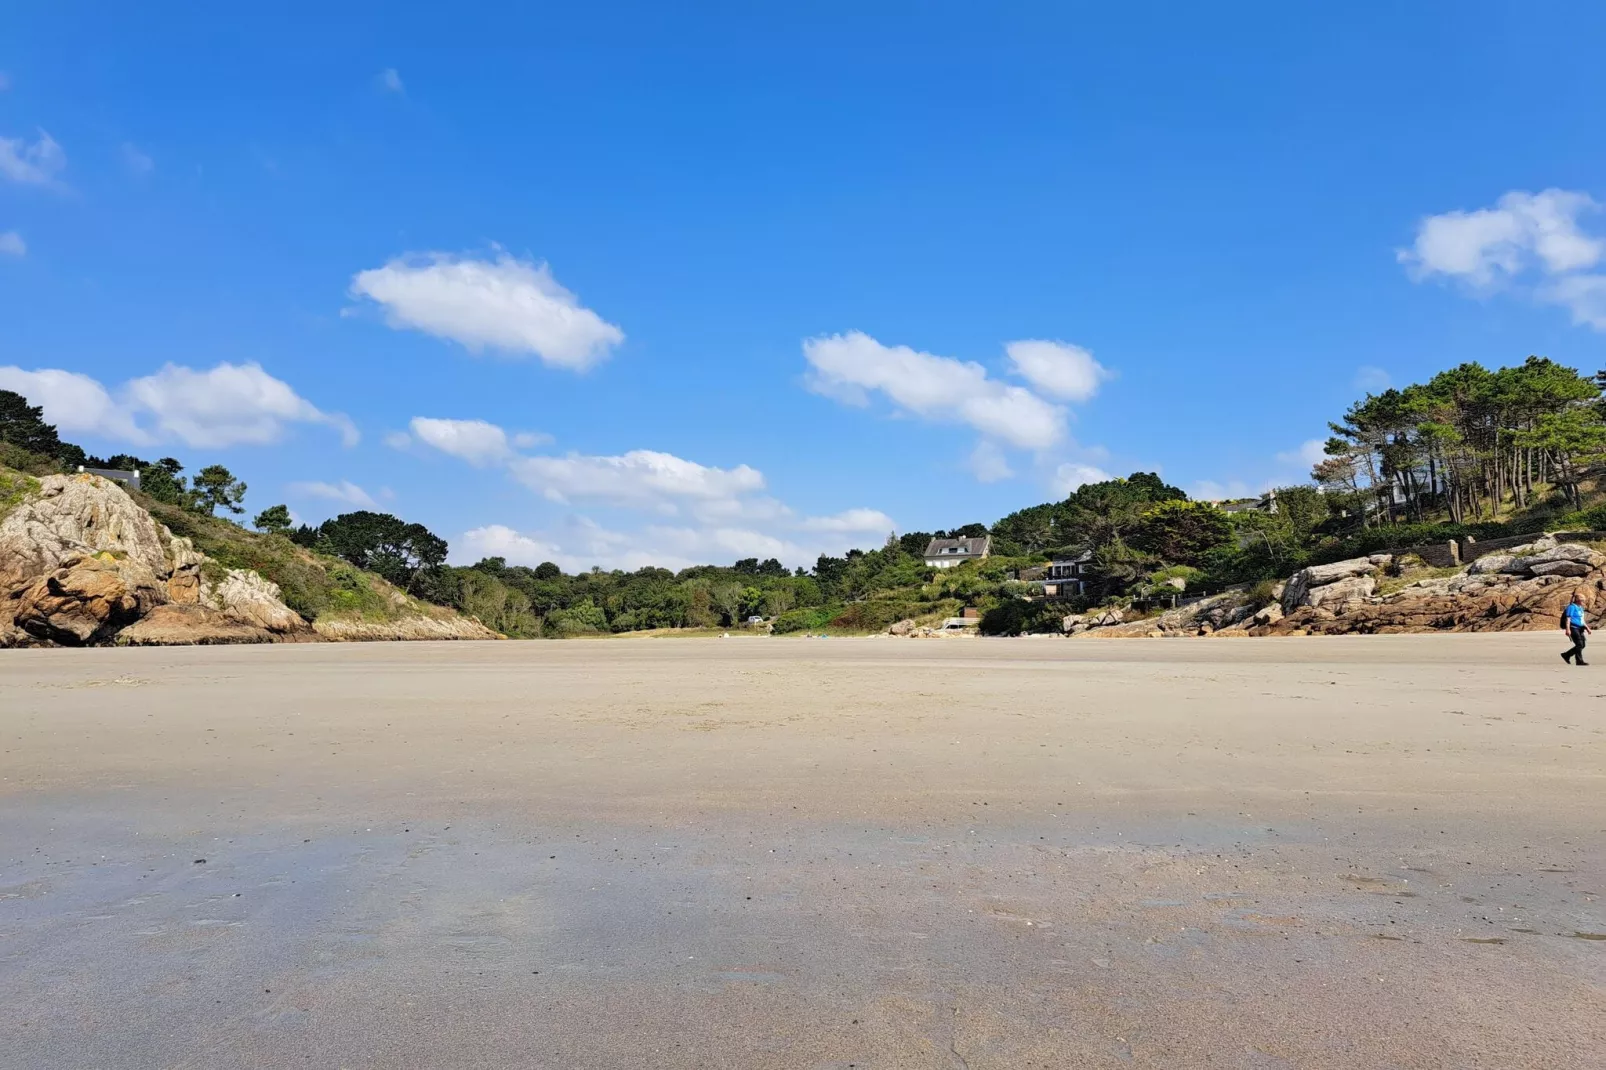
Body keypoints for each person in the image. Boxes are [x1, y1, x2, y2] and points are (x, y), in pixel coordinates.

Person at [1561, 592, 1591, 666]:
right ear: (1578, 600)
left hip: (1580, 628)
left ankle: (1567, 655)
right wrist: (1568, 629)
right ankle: (1579, 661)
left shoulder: (1580, 608)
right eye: (1582, 600)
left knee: (1582, 645)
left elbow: (1581, 619)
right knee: (1579, 644)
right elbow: (1568, 619)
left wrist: (1587, 628)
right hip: (1573, 628)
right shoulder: (1571, 607)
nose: (1583, 602)